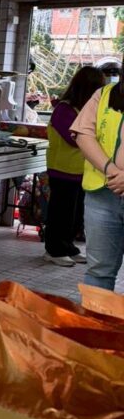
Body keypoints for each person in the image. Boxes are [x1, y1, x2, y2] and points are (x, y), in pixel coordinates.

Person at [44, 66, 104, 266]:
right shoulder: (64, 109)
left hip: (81, 171)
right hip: (62, 170)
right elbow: (74, 138)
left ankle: (68, 247)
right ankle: (54, 250)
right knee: (61, 213)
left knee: (75, 215)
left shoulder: (84, 110)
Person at [72, 63, 124, 290]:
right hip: (102, 195)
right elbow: (83, 133)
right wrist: (112, 171)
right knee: (99, 271)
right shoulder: (104, 94)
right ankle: (94, 315)